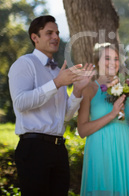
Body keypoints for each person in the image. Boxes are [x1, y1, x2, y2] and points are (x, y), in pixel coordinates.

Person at [8, 15, 94, 196]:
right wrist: (56, 83)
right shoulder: (24, 64)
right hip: (33, 149)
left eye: (57, 33)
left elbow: (65, 116)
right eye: (49, 33)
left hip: (58, 149)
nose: (55, 37)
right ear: (35, 37)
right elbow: (21, 103)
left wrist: (77, 91)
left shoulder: (57, 71)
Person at [78, 43, 129, 195]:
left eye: (116, 59)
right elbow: (82, 130)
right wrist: (112, 114)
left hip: (126, 149)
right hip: (100, 150)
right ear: (98, 61)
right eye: (107, 58)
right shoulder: (89, 89)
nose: (112, 62)